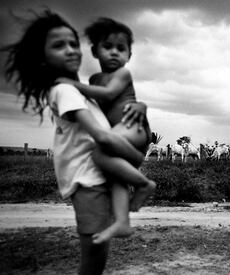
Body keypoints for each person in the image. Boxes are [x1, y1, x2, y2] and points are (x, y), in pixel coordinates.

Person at [3, 10, 149, 274]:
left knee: (98, 254)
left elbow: (113, 104)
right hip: (87, 179)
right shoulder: (66, 89)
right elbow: (102, 136)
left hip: (98, 176)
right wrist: (138, 161)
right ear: (42, 59)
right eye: (59, 45)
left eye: (72, 43)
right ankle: (141, 190)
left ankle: (124, 219)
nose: (70, 50)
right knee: (93, 257)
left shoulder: (79, 88)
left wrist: (140, 105)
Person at [57, 17, 156, 245]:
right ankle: (123, 222)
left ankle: (143, 184)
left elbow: (109, 94)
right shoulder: (94, 79)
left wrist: (73, 85)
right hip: (122, 133)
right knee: (115, 177)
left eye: (121, 49)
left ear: (129, 55)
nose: (114, 53)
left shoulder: (122, 74)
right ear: (94, 51)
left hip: (134, 128)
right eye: (108, 47)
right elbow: (92, 105)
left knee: (99, 153)